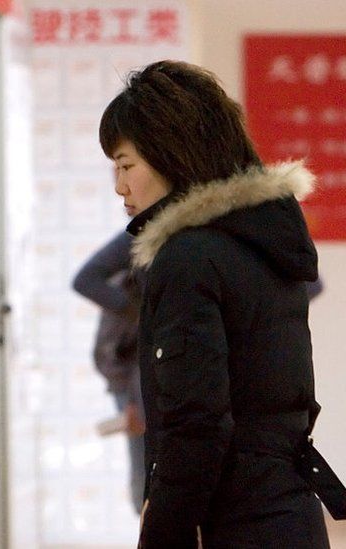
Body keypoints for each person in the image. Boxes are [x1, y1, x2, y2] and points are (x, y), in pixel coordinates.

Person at [99, 60, 339, 548]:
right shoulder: (264, 239)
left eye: (126, 166)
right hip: (289, 512)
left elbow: (197, 424)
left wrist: (161, 532)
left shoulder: (187, 259)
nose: (119, 186)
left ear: (172, 155)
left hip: (235, 524)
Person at [72, 231, 147, 515]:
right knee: (146, 482)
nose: (121, 189)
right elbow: (85, 280)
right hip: (130, 377)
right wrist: (140, 313)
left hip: (136, 376)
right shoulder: (141, 236)